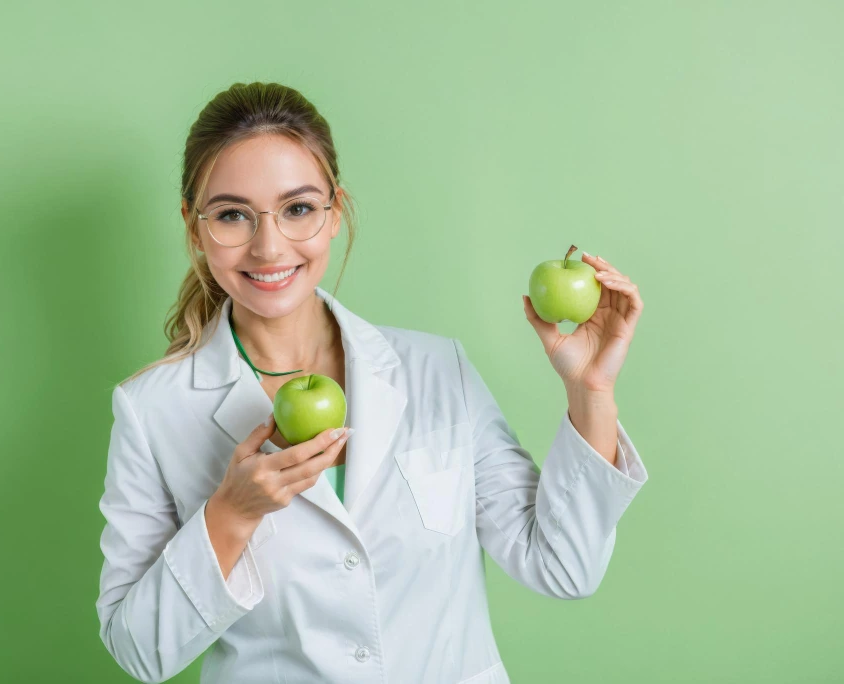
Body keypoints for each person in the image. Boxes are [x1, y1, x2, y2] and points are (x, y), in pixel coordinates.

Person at [95, 81, 649, 684]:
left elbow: (564, 567)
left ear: (335, 211)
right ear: (194, 225)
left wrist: (591, 392)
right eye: (232, 215)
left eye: (298, 209)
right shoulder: (152, 411)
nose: (269, 247)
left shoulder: (438, 371)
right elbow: (139, 651)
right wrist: (231, 513)